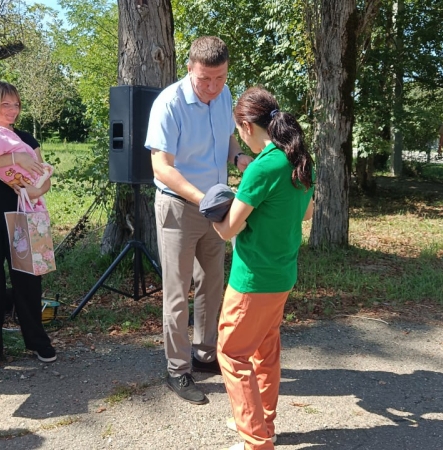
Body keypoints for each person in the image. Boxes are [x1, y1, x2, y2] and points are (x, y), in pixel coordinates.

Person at [145, 36, 253, 405]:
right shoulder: (169, 104)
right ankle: (177, 369)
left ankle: (206, 354)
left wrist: (238, 158)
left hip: (217, 204)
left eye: (220, 78)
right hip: (178, 205)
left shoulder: (224, 96)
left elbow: (228, 140)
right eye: (205, 79)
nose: (212, 87)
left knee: (212, 282)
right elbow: (161, 166)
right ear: (190, 68)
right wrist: (204, 197)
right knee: (177, 291)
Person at [212, 87, 314, 450]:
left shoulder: (262, 167)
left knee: (232, 352)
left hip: (252, 280)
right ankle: (261, 421)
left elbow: (228, 230)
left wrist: (213, 212)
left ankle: (256, 441)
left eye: (239, 131)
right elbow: (307, 212)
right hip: (282, 276)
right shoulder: (297, 159)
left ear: (245, 125)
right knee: (264, 350)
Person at [0, 79, 56, 371]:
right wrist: (11, 157)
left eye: (16, 104)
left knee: (28, 280)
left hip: (23, 214)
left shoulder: (27, 138)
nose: (13, 110)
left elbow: (45, 179)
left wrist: (32, 192)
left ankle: (37, 340)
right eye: (6, 104)